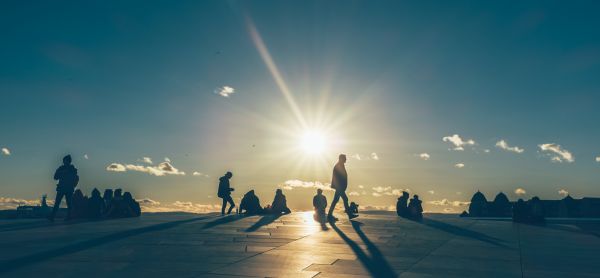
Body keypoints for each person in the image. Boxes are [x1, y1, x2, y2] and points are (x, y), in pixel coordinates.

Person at [48, 155, 79, 221]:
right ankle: (52, 216)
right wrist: (62, 172)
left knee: (69, 203)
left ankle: (68, 216)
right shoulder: (61, 168)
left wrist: (73, 185)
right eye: (64, 161)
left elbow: (76, 178)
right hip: (62, 188)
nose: (64, 162)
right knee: (57, 203)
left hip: (68, 188)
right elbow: (55, 177)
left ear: (68, 161)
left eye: (65, 160)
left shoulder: (72, 169)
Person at [327, 154, 357, 221]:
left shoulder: (340, 165)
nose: (346, 159)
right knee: (345, 199)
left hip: (340, 187)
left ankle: (329, 215)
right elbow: (339, 177)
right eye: (345, 158)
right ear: (341, 159)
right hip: (339, 187)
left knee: (336, 200)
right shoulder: (339, 166)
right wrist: (340, 187)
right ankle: (349, 214)